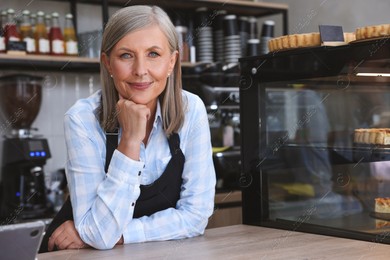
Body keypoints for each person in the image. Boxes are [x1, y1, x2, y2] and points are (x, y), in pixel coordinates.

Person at [41, 5, 216, 251]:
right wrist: (130, 141)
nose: (140, 70)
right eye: (126, 55)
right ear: (108, 63)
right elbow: (99, 235)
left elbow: (196, 216)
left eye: (153, 54)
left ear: (171, 62)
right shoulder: (82, 119)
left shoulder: (191, 110)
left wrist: (120, 235)